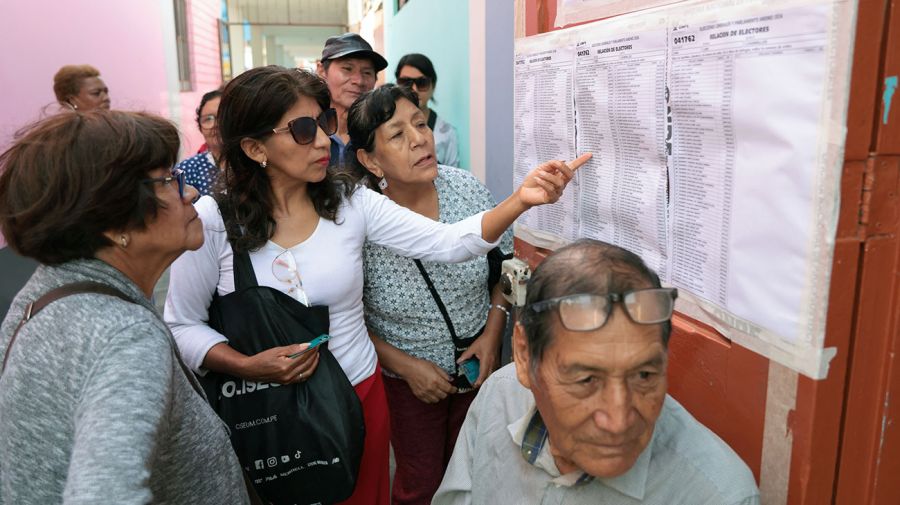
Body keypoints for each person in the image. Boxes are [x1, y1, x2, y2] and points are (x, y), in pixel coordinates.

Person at [164, 65, 588, 505]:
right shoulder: (214, 222)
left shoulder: (351, 203)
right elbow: (180, 325)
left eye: (326, 123)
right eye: (303, 130)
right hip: (265, 412)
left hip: (358, 396)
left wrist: (522, 198)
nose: (324, 140)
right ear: (255, 147)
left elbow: (450, 241)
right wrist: (246, 366)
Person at [0, 110, 249, 504]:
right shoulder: (125, 335)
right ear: (111, 220)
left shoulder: (45, 292)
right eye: (168, 180)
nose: (191, 192)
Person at [433, 239, 761, 505]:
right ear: (523, 355)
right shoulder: (499, 395)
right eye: (586, 380)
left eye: (644, 376)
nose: (618, 421)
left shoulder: (720, 495)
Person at [343, 83, 511, 505]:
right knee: (420, 484)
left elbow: (503, 268)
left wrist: (493, 333)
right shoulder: (357, 220)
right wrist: (406, 366)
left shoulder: (467, 189)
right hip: (407, 385)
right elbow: (346, 317)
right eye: (398, 134)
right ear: (369, 159)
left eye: (421, 123)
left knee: (477, 472)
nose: (419, 138)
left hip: (478, 368)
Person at [317, 32, 387, 168]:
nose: (359, 81)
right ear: (322, 71)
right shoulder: (308, 131)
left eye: (367, 73)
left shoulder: (379, 133)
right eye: (347, 69)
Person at [395, 53, 460, 167]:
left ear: (433, 86)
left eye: (422, 83)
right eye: (406, 83)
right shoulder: (387, 127)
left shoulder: (447, 133)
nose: (414, 89)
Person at [176, 88, 224, 196]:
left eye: (222, 116)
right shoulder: (187, 169)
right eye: (208, 119)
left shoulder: (255, 162)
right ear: (200, 128)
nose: (215, 125)